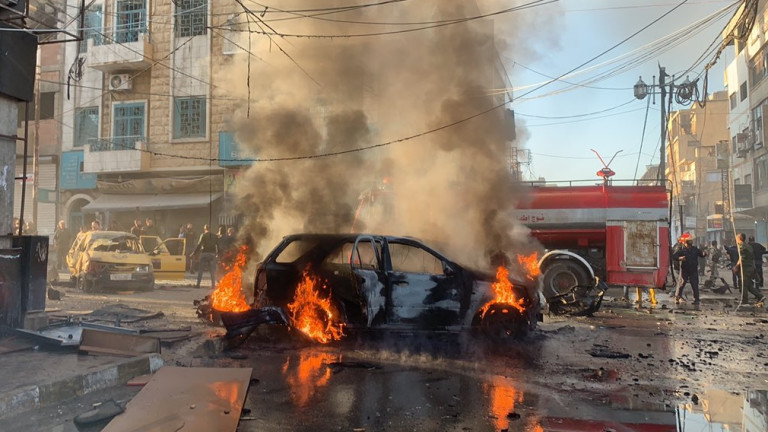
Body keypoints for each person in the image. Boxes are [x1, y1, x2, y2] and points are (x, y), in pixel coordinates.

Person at [672, 235, 706, 305]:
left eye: (691, 241)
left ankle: (696, 299)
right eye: (689, 241)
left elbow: (701, 254)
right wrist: (680, 258)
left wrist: (704, 253)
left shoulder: (695, 249)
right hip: (684, 269)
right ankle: (677, 297)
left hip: (693, 269)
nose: (690, 242)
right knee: (681, 284)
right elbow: (674, 256)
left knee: (695, 284)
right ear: (685, 242)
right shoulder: (681, 250)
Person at [735, 233, 765, 306]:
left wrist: (736, 266)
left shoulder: (742, 246)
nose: (736, 239)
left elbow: (741, 257)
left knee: (744, 284)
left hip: (745, 268)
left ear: (740, 238)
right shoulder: (749, 246)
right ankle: (760, 296)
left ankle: (745, 301)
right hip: (751, 267)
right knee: (748, 285)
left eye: (737, 238)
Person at [192, 224, 218, 289]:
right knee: (212, 271)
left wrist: (194, 253)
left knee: (200, 270)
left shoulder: (203, 235)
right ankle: (213, 285)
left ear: (205, 229)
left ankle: (198, 284)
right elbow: (218, 245)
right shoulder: (215, 236)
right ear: (210, 228)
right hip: (212, 254)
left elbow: (199, 245)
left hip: (204, 253)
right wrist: (218, 253)